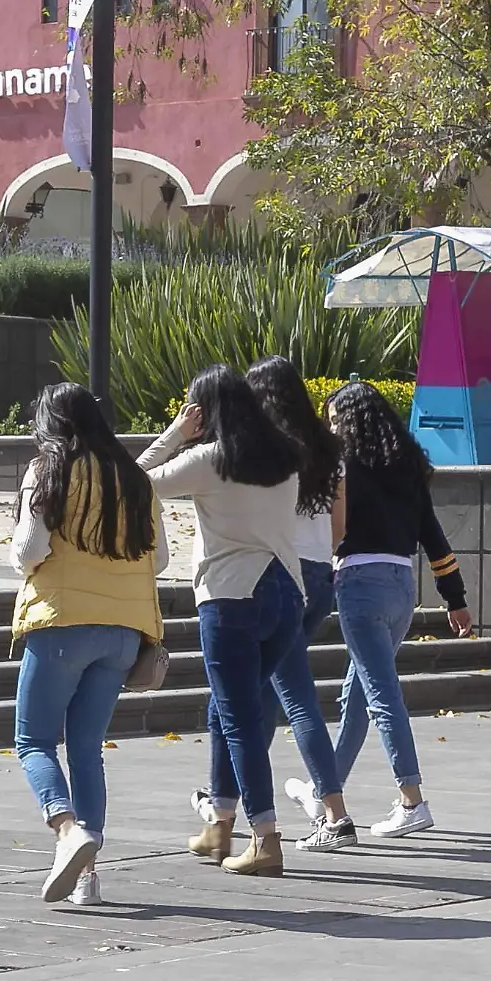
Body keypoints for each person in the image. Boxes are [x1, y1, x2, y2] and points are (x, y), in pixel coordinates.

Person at [140, 365, 304, 877]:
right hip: (286, 593)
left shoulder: (211, 459)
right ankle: (220, 825)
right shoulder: (284, 456)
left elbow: (133, 483)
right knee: (227, 710)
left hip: (232, 596)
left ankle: (265, 837)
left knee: (238, 720)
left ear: (204, 412)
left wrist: (174, 434)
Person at [190, 356, 359, 853]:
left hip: (274, 573)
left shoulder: (262, 452)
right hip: (317, 575)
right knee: (255, 696)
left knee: (278, 698)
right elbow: (340, 527)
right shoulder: (328, 449)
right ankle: (224, 809)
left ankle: (331, 811)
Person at [10, 382, 169, 906]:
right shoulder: (136, 480)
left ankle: (64, 830)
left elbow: (31, 551)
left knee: (33, 740)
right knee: (86, 749)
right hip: (123, 632)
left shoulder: (47, 469)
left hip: (61, 624)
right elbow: (160, 560)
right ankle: (88, 880)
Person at [323, 380, 473, 838]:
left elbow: (328, 525)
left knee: (382, 696)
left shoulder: (343, 467)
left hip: (360, 584)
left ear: (348, 421)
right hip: (401, 586)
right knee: (357, 695)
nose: (329, 430)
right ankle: (326, 788)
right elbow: (434, 536)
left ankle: (411, 799)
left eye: (332, 421)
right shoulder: (406, 467)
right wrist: (456, 599)